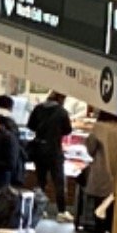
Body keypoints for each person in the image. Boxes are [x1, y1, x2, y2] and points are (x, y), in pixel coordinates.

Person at [26, 91, 72, 221]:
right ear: (61, 98)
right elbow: (68, 130)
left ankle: (40, 209)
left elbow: (31, 126)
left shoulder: (38, 108)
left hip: (39, 150)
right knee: (58, 182)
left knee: (40, 180)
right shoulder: (62, 112)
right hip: (54, 150)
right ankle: (61, 212)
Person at [81, 110, 117, 233]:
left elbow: (90, 147)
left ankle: (100, 229)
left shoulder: (99, 127)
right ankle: (110, 231)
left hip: (101, 170)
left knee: (100, 202)